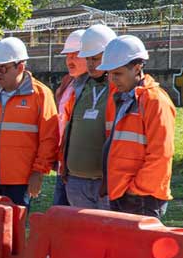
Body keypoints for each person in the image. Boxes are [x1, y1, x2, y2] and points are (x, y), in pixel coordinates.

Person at [0, 36, 59, 208]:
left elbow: (49, 138)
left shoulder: (40, 95)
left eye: (3, 68)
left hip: (20, 181)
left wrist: (38, 172)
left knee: (14, 231)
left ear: (21, 67)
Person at [100, 35, 176, 218]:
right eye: (109, 74)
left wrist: (136, 189)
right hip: (122, 192)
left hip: (141, 197)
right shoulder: (122, 98)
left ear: (137, 69)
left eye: (117, 74)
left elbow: (161, 154)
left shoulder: (155, 101)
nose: (112, 80)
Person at [57, 23, 117, 209]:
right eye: (88, 59)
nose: (90, 64)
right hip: (75, 182)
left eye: (95, 59)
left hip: (104, 185)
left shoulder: (121, 91)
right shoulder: (78, 87)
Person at [52, 28, 86, 206]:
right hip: (63, 166)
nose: (70, 60)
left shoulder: (98, 89)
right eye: (68, 55)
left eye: (76, 55)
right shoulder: (67, 83)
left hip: (82, 170)